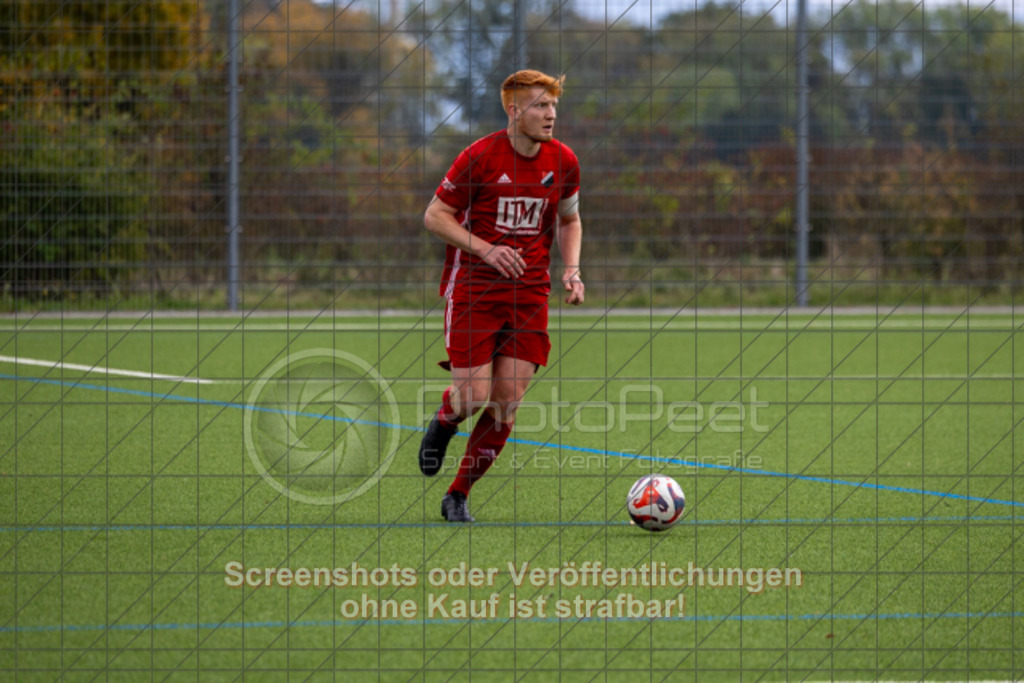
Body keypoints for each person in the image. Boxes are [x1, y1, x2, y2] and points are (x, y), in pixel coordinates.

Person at [418, 69, 585, 522]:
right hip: (473, 289)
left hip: (529, 294)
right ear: (514, 111)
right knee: (472, 397)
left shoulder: (563, 160)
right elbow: (435, 216)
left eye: (553, 105)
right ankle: (446, 419)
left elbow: (569, 220)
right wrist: (487, 251)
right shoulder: (480, 157)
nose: (551, 114)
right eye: (540, 106)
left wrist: (571, 269)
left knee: (507, 398)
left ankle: (458, 495)